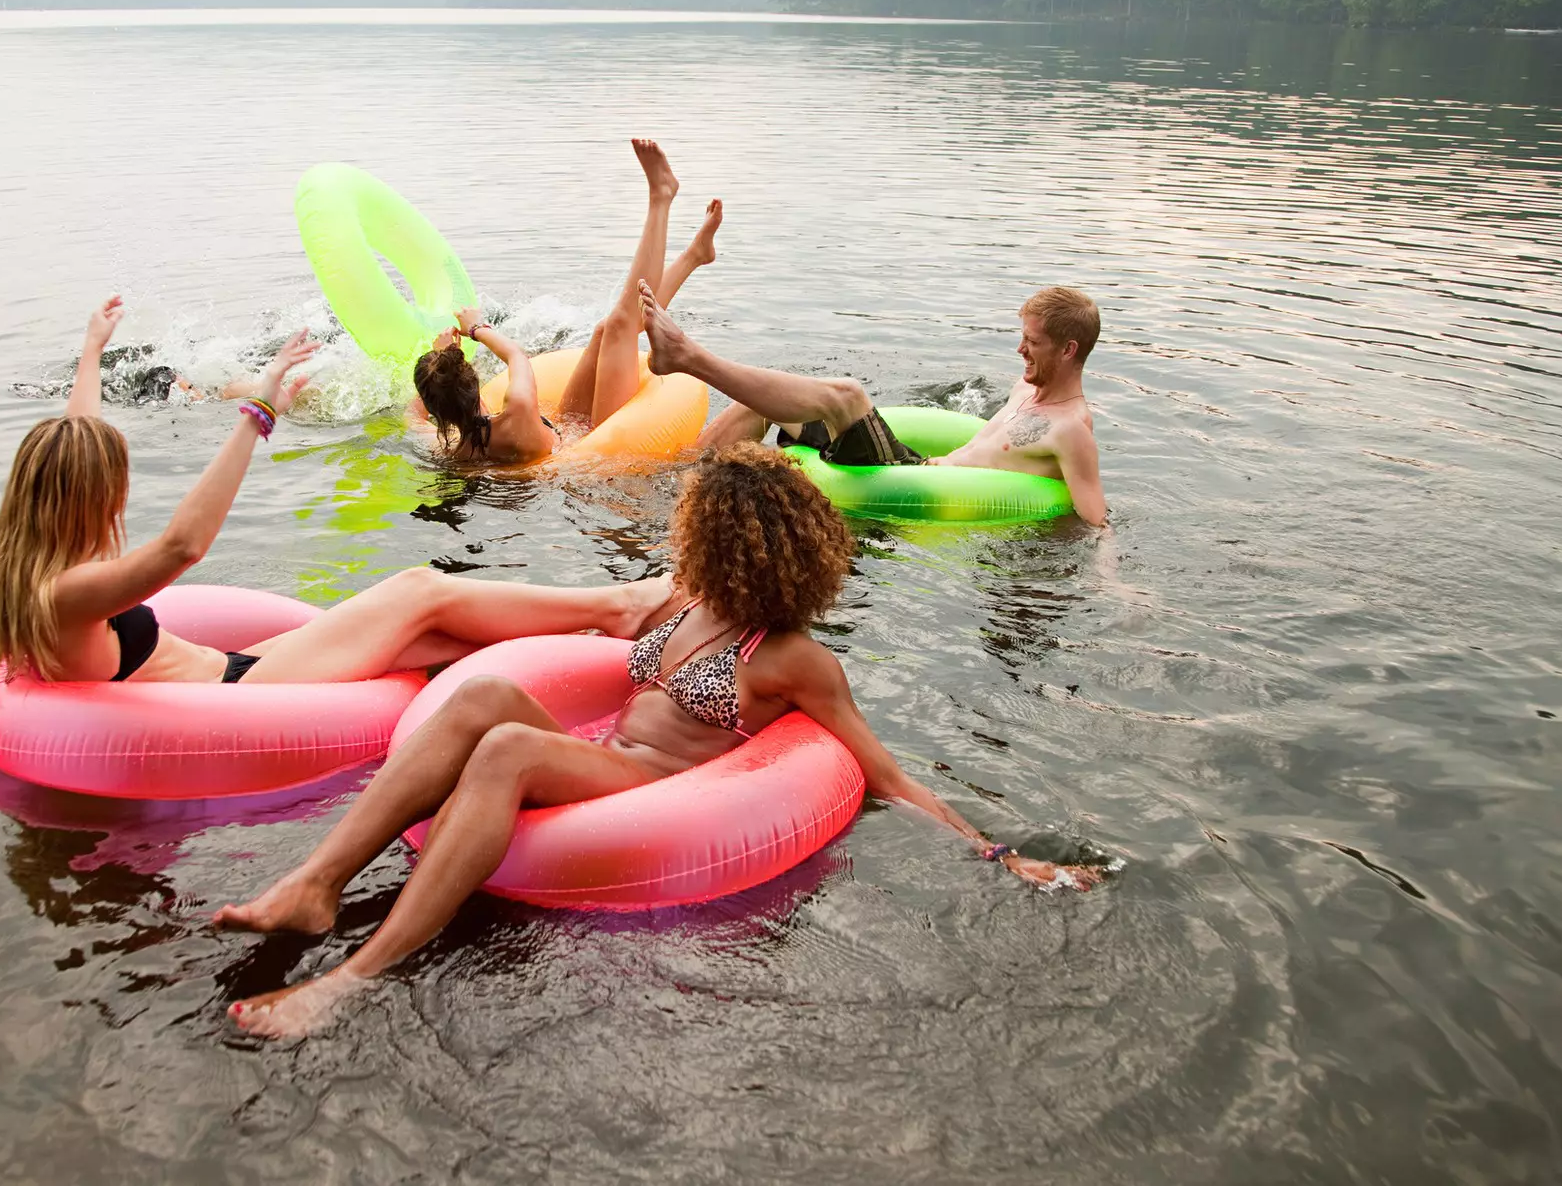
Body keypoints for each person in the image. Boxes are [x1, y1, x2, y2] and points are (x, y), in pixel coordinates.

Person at [213, 441, 1105, 1038]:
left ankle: (354, 978)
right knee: (482, 693)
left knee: (506, 750)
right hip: (608, 752)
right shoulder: (683, 599)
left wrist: (991, 850)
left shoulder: (791, 658)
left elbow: (884, 773)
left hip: (648, 785)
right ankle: (316, 883)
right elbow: (580, 642)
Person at [0, 297, 668, 687]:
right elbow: (182, 545)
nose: (119, 501)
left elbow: (75, 438)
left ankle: (613, 653)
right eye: (110, 489)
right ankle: (621, 604)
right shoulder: (65, 597)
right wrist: (260, 412)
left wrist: (92, 350)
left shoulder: (34, 571)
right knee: (420, 591)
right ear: (79, 501)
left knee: (448, 641)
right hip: (238, 695)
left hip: (239, 667)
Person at [638, 282, 1109, 527]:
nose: (1020, 351)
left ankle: (687, 357)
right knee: (762, 407)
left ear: (1068, 350)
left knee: (847, 395)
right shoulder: (1024, 390)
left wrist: (1115, 589)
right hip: (916, 462)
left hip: (910, 487)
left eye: (1033, 342)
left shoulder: (1071, 429)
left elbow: (1095, 522)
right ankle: (672, 486)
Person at [410, 138, 723, 464]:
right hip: (589, 452)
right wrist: (473, 329)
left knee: (604, 330)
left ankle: (695, 256)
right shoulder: (517, 408)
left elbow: (413, 416)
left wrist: (440, 365)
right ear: (471, 381)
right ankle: (660, 199)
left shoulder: (445, 446)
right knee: (618, 327)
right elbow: (516, 354)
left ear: (438, 413)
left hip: (566, 433)